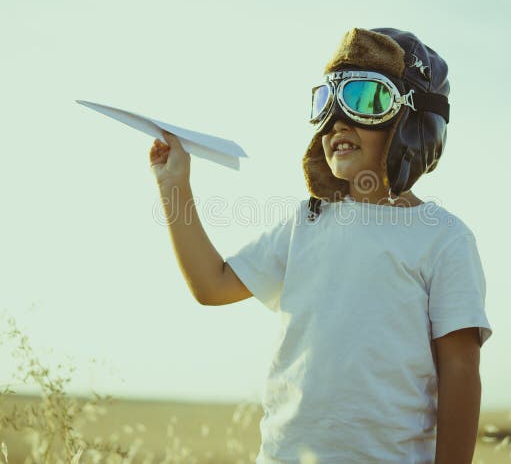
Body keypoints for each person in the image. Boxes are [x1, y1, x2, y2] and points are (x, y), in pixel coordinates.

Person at [150, 27, 492, 464]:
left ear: (415, 121)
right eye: (326, 104)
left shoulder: (443, 238)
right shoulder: (304, 222)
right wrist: (174, 186)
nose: (337, 123)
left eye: (365, 99)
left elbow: (461, 370)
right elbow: (211, 286)